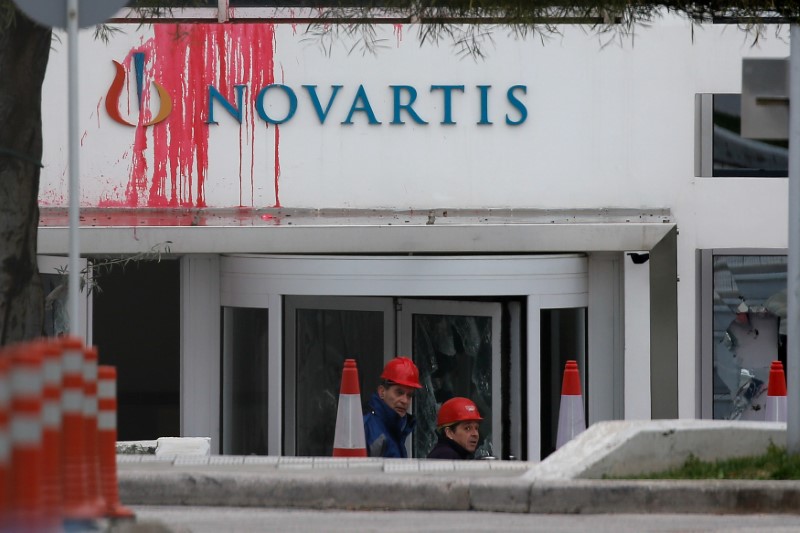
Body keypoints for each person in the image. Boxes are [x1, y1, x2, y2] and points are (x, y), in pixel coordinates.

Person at [363, 356, 422, 458]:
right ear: (382, 392)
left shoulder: (397, 427)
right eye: (399, 392)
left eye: (409, 395)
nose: (405, 401)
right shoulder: (367, 427)